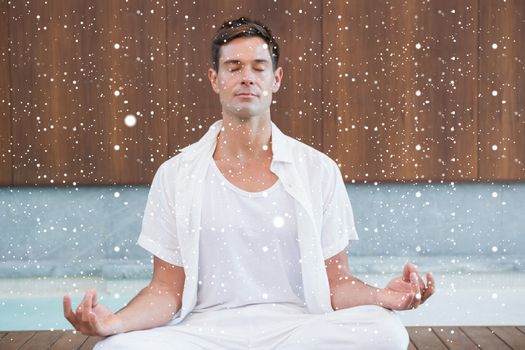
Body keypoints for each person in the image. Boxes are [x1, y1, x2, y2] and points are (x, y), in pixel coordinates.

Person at [63, 17, 435, 349]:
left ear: (276, 79)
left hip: (296, 330)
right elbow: (166, 290)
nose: (247, 77)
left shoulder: (317, 170)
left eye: (259, 67)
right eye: (233, 66)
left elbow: (336, 283)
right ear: (215, 79)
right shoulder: (176, 175)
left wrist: (385, 297)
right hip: (205, 332)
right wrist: (115, 323)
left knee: (386, 332)